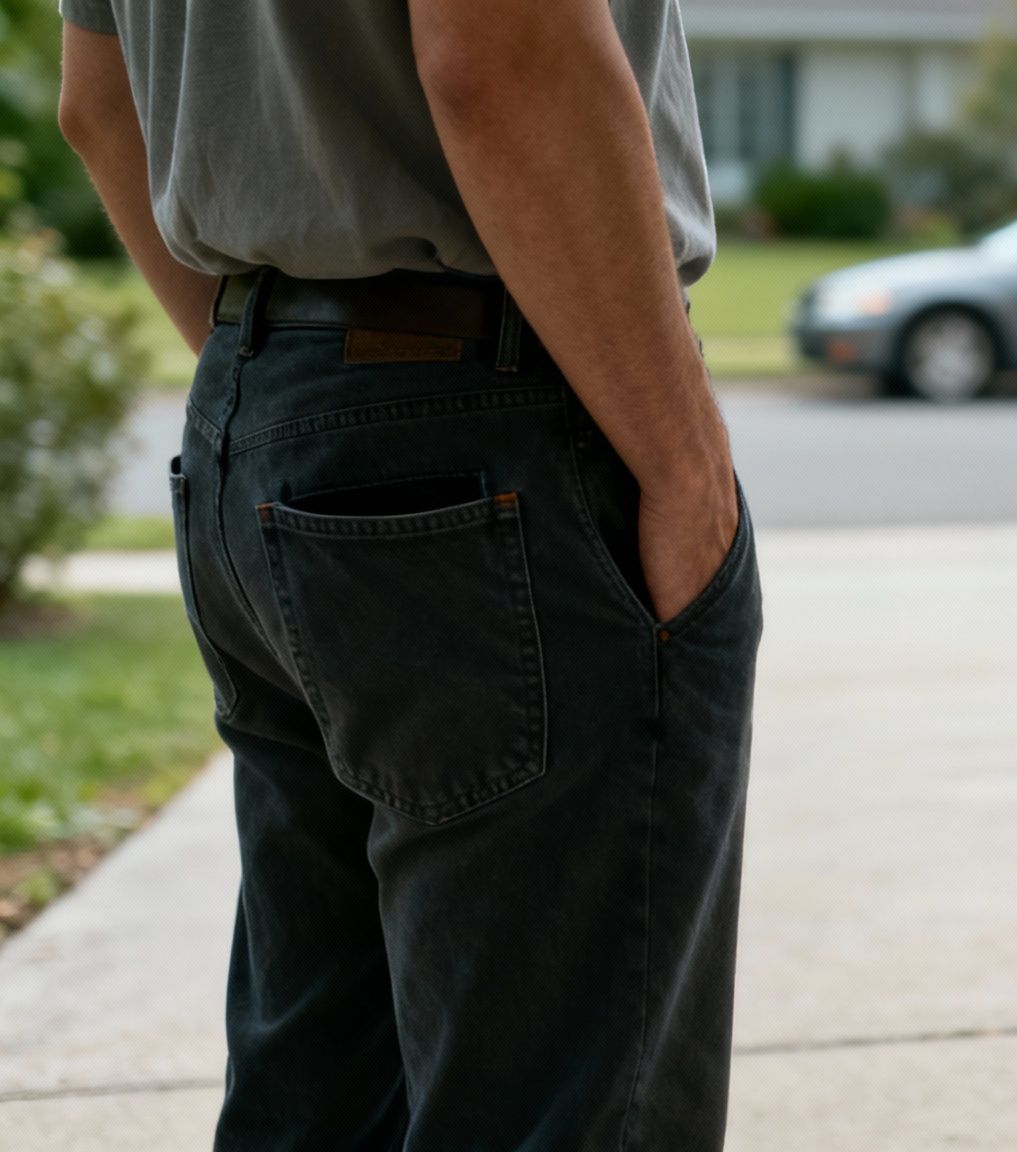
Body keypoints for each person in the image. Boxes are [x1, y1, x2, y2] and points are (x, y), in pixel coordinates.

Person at [57, 2, 760, 1147]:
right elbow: (498, 56)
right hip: (494, 424)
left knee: (320, 1084)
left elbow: (98, 106)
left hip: (256, 408)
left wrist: (292, 391)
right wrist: (687, 470)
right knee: (552, 1105)